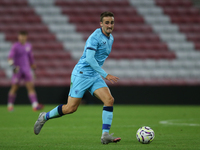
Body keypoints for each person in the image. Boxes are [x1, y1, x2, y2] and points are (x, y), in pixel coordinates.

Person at [34, 12, 121, 144]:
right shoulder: (94, 37)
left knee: (109, 100)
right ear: (101, 24)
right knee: (71, 108)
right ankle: (44, 117)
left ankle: (105, 135)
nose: (110, 25)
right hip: (81, 74)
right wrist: (105, 74)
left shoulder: (111, 38)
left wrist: (99, 74)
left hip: (94, 75)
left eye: (112, 22)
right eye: (107, 22)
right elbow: (90, 59)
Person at [7, 31, 44, 111]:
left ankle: (35, 105)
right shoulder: (15, 46)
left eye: (23, 36)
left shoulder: (28, 46)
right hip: (18, 70)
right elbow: (10, 57)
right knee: (14, 87)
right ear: (18, 37)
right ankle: (10, 105)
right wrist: (13, 67)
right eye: (20, 36)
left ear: (26, 37)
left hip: (26, 69)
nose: (22, 38)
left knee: (30, 87)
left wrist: (33, 69)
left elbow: (31, 58)